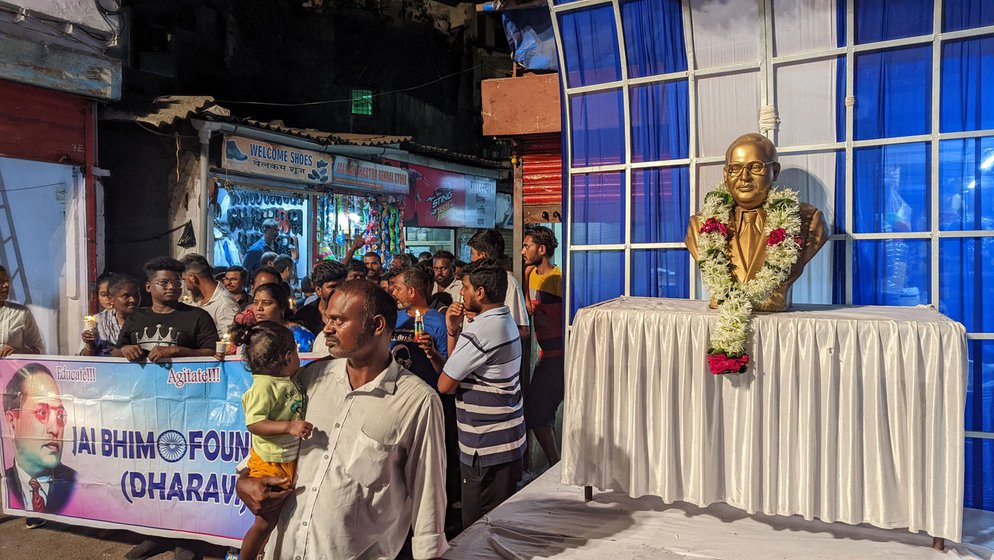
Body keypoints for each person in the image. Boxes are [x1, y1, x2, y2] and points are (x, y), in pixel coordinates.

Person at [235, 280, 449, 560]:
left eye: (339, 320)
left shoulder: (416, 401)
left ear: (377, 325)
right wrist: (245, 483)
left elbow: (427, 499)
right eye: (327, 319)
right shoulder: (309, 379)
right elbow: (266, 444)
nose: (327, 328)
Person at [685, 132, 827, 312]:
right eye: (735, 168)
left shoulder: (808, 221)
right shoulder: (700, 225)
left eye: (755, 167)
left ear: (774, 171)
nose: (744, 177)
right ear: (725, 174)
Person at [438, 258, 524, 528]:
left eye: (464, 287)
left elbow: (446, 384)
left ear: (480, 292)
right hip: (505, 439)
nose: (461, 293)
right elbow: (456, 365)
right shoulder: (504, 318)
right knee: (496, 525)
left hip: (485, 446)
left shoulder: (481, 330)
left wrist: (459, 330)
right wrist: (453, 328)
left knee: (479, 530)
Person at [233, 321, 313, 560]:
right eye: (297, 351)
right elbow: (254, 423)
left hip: (285, 457)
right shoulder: (263, 387)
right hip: (270, 462)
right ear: (288, 356)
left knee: (280, 520)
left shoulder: (286, 379)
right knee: (264, 523)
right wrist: (289, 426)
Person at [3, 363, 77, 522]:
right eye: (42, 413)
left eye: (59, 415)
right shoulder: (5, 482)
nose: (54, 429)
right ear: (12, 423)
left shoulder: (79, 485)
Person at [113, 257, 219, 362]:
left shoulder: (198, 316)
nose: (171, 287)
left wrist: (178, 351)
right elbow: (114, 352)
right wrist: (124, 350)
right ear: (148, 287)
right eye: (164, 283)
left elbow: (213, 352)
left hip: (180, 376)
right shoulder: (134, 317)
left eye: (177, 283)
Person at [521, 226, 564, 466]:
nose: (523, 250)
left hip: (557, 357)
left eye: (527, 246)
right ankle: (556, 464)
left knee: (537, 414)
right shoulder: (532, 274)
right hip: (544, 355)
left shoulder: (557, 279)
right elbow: (531, 309)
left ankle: (556, 465)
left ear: (542, 249)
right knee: (539, 415)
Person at [389, 267, 447, 386]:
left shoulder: (439, 322)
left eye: (398, 289)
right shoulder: (394, 318)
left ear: (411, 291)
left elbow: (445, 370)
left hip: (423, 390)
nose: (394, 293)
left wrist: (432, 353)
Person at [467, 229, 530, 339]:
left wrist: (483, 320)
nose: (471, 259)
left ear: (483, 256)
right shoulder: (471, 280)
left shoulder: (508, 282)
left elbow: (524, 332)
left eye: (472, 254)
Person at [181, 254, 240, 338]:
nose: (185, 286)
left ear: (192, 278)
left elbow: (229, 342)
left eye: (184, 280)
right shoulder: (199, 298)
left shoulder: (225, 304)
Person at [81, 274, 140, 357]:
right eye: (125, 296)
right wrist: (89, 344)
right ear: (111, 298)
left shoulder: (147, 320)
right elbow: (86, 361)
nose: (133, 300)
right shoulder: (98, 321)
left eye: (136, 295)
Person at [251, 283, 315, 352]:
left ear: (282, 308)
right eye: (256, 303)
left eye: (266, 303)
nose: (259, 308)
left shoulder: (300, 336)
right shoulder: (252, 334)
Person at [0, 264, 45, 358]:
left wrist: (19, 352)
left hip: (12, 371)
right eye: (1, 281)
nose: (6, 285)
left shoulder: (21, 313)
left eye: (7, 281)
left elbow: (39, 349)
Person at [292, 260, 347, 336]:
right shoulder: (304, 316)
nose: (339, 291)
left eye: (342, 286)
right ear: (318, 290)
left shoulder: (353, 312)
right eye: (333, 287)